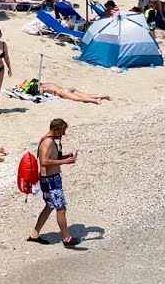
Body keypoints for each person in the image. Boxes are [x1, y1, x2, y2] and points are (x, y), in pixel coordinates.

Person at [28, 118, 80, 248]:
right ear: (55, 130)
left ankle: (34, 234)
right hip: (50, 180)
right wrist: (64, 162)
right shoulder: (48, 142)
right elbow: (44, 161)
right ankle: (67, 238)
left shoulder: (48, 140)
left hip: (51, 179)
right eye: (62, 131)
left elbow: (52, 158)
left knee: (49, 206)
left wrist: (66, 157)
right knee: (61, 208)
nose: (63, 134)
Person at [39, 82, 112, 104]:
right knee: (85, 95)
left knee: (79, 98)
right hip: (67, 88)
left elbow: (41, 92)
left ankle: (95, 100)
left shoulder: (43, 87)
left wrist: (40, 90)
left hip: (63, 92)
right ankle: (101, 95)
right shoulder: (49, 83)